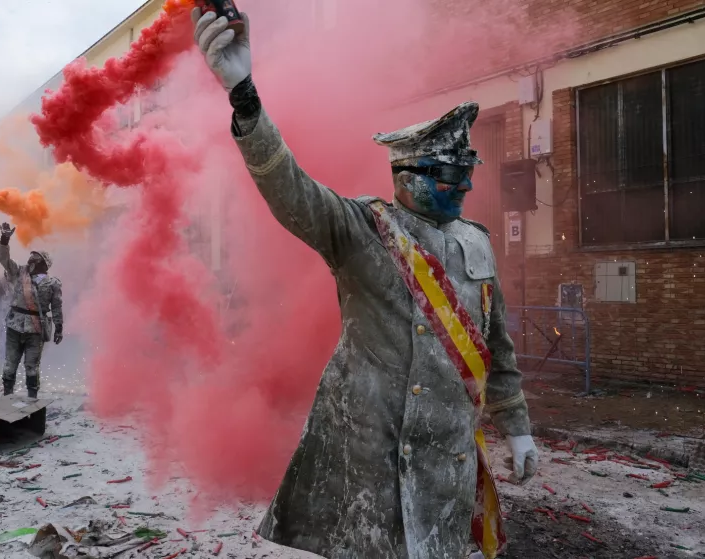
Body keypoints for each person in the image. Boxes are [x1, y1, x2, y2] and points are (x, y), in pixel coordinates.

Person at [191, 10, 539, 559]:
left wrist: (516, 427)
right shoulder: (361, 229)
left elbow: (497, 350)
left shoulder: (477, 242)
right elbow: (290, 188)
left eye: (468, 170)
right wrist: (244, 94)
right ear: (408, 176)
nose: (468, 184)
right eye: (451, 175)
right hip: (373, 462)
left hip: (447, 461)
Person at [0, 223, 63, 398]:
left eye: (34, 259)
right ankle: (7, 398)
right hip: (14, 325)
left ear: (43, 263)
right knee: (9, 365)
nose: (30, 261)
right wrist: (5, 238)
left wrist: (59, 328)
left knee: (32, 368)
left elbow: (56, 307)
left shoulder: (52, 283)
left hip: (35, 329)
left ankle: (32, 401)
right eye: (31, 258)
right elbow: (4, 259)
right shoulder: (19, 273)